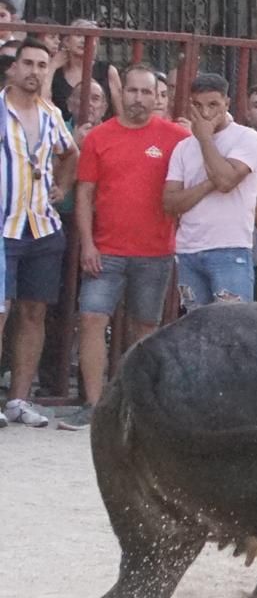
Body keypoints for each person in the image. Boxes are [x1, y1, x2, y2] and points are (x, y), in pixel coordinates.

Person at [59, 65, 190, 431]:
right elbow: (84, 194)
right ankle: (94, 404)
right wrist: (87, 243)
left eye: (146, 92)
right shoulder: (101, 137)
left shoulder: (177, 137)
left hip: (155, 251)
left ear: (156, 97)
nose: (138, 98)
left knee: (144, 329)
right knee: (90, 319)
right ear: (124, 94)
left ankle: (137, 407)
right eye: (132, 91)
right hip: (106, 249)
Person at [2, 38, 77, 428]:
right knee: (0, 312)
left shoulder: (50, 113)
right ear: (12, 68)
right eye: (27, 63)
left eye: (41, 65)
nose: (34, 71)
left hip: (42, 226)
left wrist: (61, 188)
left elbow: (70, 153)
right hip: (4, 226)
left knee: (35, 312)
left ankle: (19, 400)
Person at [162, 73, 257, 308]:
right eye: (198, 106)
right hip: (189, 250)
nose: (205, 114)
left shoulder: (247, 138)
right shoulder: (182, 148)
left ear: (227, 104)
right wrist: (209, 183)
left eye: (213, 105)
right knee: (195, 325)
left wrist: (205, 139)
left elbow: (226, 182)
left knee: (233, 326)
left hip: (229, 247)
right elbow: (170, 203)